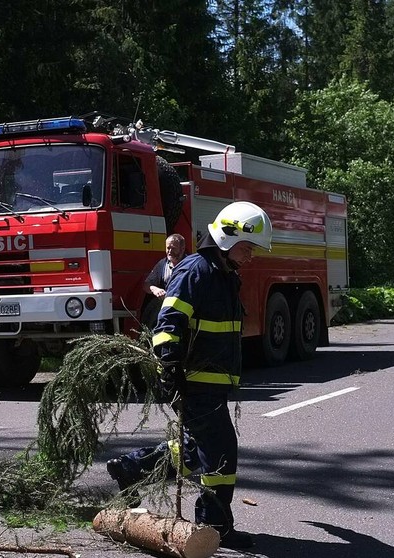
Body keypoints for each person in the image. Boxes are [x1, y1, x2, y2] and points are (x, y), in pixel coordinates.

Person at [107, 201, 273, 551]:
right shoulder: (195, 271)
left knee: (196, 450)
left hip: (209, 381)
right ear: (228, 238)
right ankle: (214, 525)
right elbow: (169, 324)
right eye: (248, 247)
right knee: (221, 453)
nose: (252, 255)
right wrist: (169, 367)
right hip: (194, 381)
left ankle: (131, 468)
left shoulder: (223, 274)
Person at [145, 234, 187, 299]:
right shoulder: (162, 264)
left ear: (182, 249)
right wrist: (155, 289)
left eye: (173, 248)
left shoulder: (191, 264)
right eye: (168, 248)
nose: (170, 251)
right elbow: (147, 284)